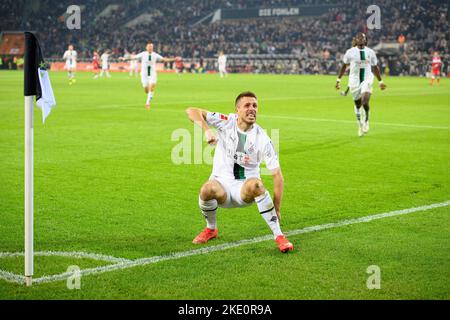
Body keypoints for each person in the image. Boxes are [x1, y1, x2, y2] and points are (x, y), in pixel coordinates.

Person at [185, 91, 294, 253]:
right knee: (206, 189)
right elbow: (191, 111)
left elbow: (277, 176)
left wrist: (277, 208)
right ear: (237, 110)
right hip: (221, 187)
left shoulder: (262, 138)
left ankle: (279, 236)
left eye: (255, 106)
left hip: (244, 189)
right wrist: (207, 130)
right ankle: (211, 229)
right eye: (247, 106)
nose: (252, 109)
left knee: (257, 184)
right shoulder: (226, 121)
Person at [336, 32, 387, 137]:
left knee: (365, 101)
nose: (360, 39)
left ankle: (366, 120)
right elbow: (344, 66)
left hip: (367, 79)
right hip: (354, 81)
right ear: (356, 40)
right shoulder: (350, 52)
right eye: (358, 37)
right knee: (358, 105)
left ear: (365, 40)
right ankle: (360, 125)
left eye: (362, 37)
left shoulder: (370, 52)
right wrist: (338, 80)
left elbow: (375, 67)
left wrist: (380, 81)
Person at [121, 41, 179, 110]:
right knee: (146, 89)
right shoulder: (143, 54)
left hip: (152, 73)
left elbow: (164, 59)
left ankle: (147, 103)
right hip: (144, 74)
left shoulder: (155, 55)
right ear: (146, 47)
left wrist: (174, 59)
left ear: (153, 48)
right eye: (149, 47)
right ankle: (149, 94)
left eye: (151, 47)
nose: (150, 48)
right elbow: (134, 58)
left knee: (152, 87)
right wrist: (124, 59)